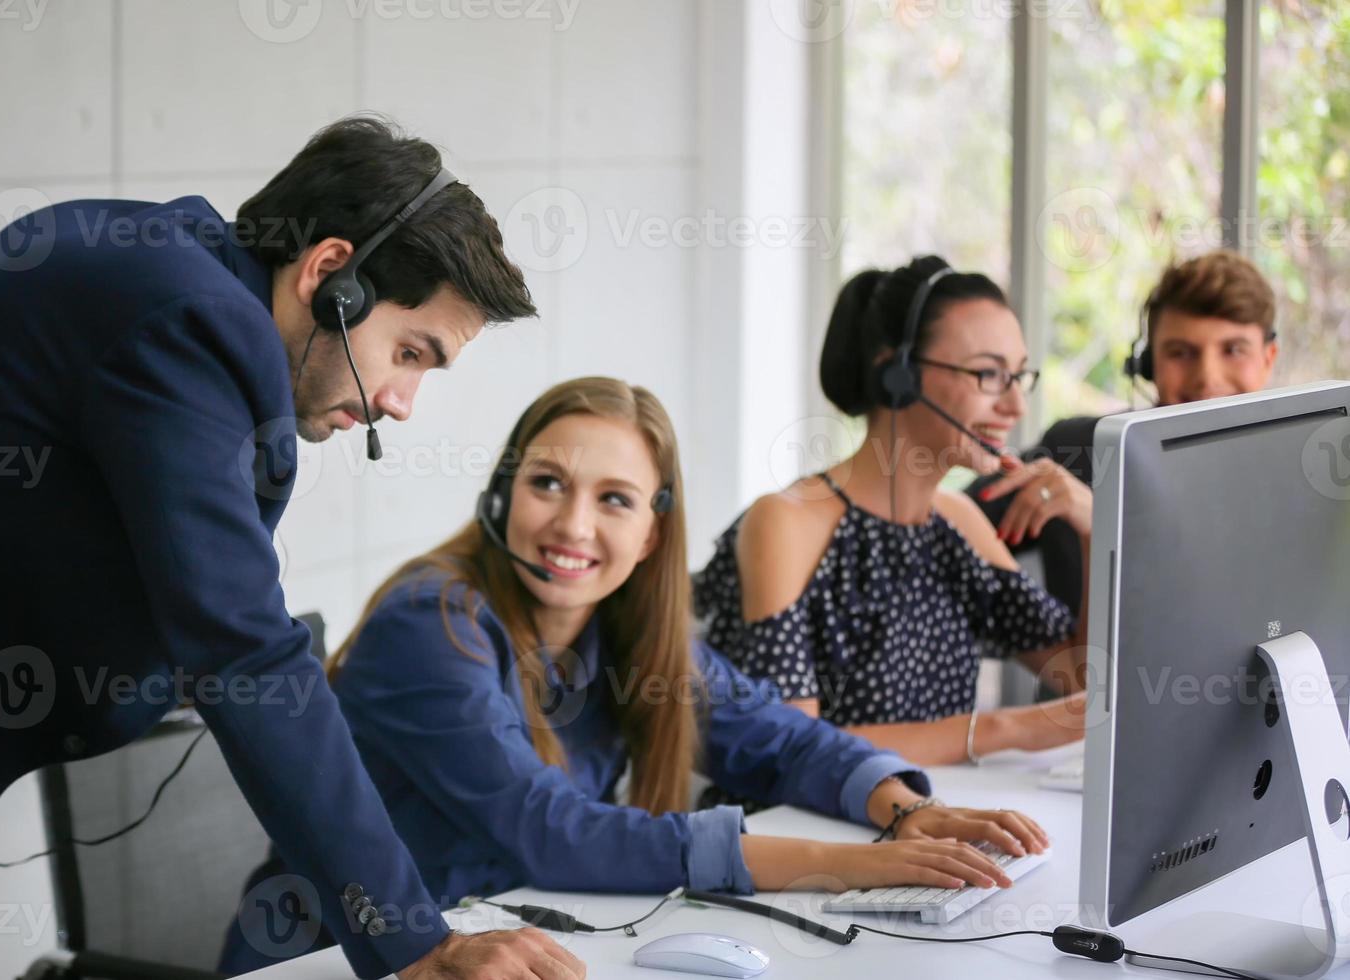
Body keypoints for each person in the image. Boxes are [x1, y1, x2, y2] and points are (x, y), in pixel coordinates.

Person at [0, 115, 584, 980]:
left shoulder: (163, 268)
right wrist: (416, 941)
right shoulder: (189, 319)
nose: (401, 401)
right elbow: (242, 646)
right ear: (330, 276)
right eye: (408, 352)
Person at [220, 376, 1054, 974]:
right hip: (343, 961)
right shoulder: (429, 623)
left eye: (615, 499)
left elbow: (779, 739)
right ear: (503, 496)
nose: (573, 524)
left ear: (653, 536)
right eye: (547, 484)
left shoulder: (624, 634)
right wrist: (843, 865)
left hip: (515, 945)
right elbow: (549, 829)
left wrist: (904, 811)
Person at [694, 256, 1091, 768]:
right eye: (989, 375)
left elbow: (1081, 681)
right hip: (811, 831)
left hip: (928, 823)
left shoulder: (960, 522)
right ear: (898, 375)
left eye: (1019, 376)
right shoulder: (786, 522)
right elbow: (796, 751)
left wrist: (1095, 527)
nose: (1016, 405)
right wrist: (1004, 727)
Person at [967, 249, 1280, 617]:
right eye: (1181, 352)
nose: (1207, 377)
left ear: (1268, 359)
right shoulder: (1078, 451)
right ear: (1147, 366)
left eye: (1233, 350)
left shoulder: (1306, 473)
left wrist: (1104, 529)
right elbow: (942, 534)